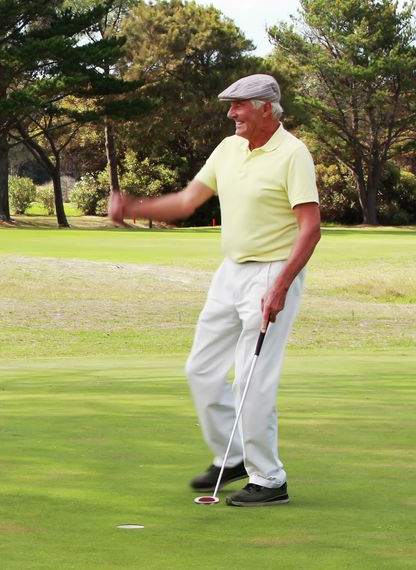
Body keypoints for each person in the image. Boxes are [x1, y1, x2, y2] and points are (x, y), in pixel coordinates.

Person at [108, 74, 321, 506]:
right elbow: (188, 202)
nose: (230, 114)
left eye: (238, 105)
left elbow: (311, 229)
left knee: (251, 379)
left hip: (273, 272)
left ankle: (269, 479)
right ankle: (236, 453)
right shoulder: (228, 149)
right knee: (201, 370)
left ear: (265, 107)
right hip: (230, 272)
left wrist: (281, 286)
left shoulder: (293, 154)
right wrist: (134, 207)